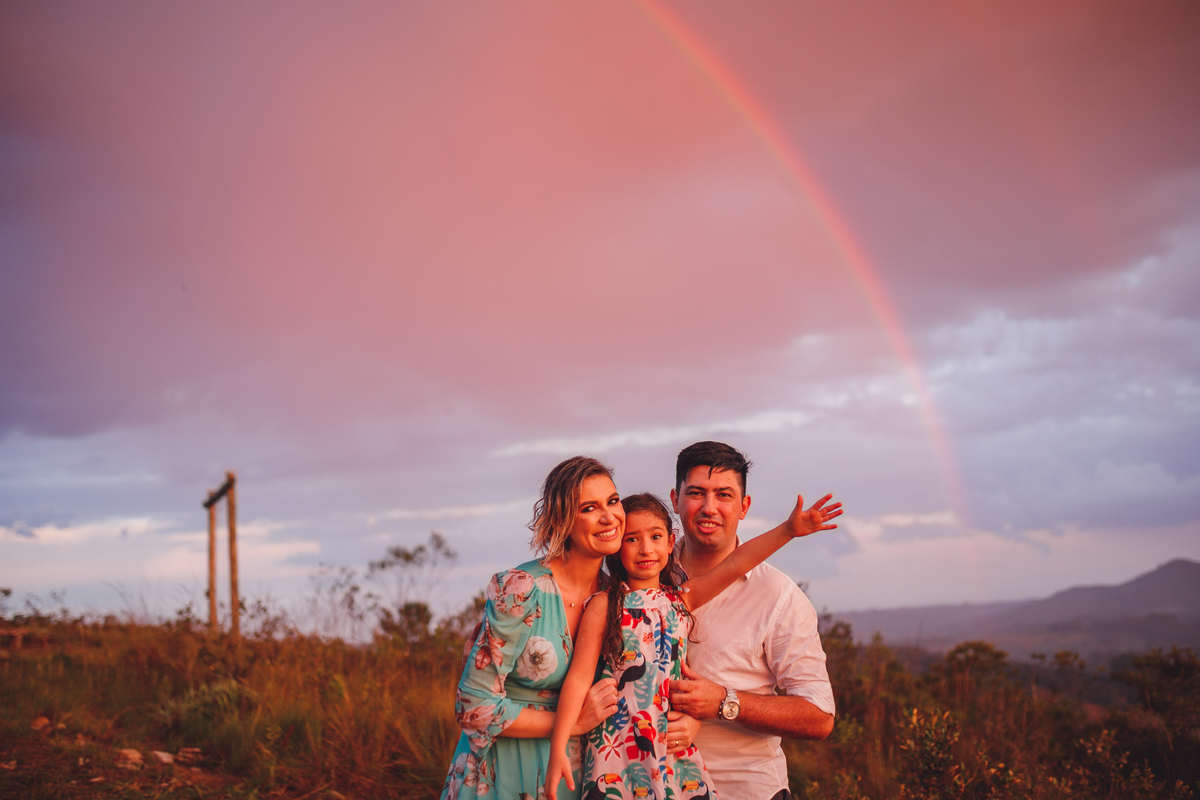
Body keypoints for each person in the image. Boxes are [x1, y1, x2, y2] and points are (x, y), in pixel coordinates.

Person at [545, 490, 841, 800]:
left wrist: (789, 530)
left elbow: (736, 564)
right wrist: (558, 748)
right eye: (632, 539)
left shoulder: (681, 600)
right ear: (617, 547)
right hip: (615, 748)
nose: (646, 549)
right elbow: (578, 679)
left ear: (670, 542)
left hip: (672, 747)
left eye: (655, 536)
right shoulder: (604, 605)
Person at [440, 455, 624, 800]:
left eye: (613, 501)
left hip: (581, 773)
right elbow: (472, 707)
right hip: (503, 769)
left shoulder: (617, 598)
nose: (608, 516)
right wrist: (573, 723)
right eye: (589, 508)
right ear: (563, 520)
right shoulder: (523, 589)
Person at [668, 442, 837, 800]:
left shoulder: (779, 596)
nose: (709, 507)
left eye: (724, 495)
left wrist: (724, 701)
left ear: (744, 506)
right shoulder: (643, 577)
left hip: (745, 790)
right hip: (650, 787)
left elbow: (820, 716)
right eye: (696, 493)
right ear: (675, 500)